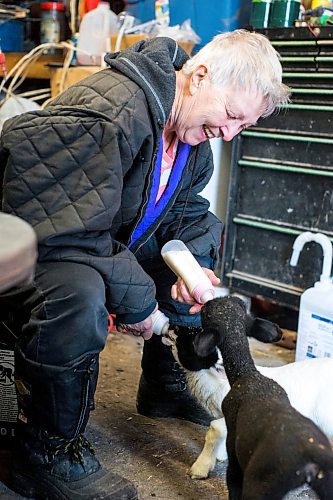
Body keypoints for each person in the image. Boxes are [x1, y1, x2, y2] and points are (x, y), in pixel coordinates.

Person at [0, 29, 289, 499]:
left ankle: (165, 384)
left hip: (82, 237)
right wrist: (138, 305)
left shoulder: (188, 137)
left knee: (199, 240)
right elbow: (67, 234)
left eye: (245, 125)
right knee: (79, 295)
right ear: (199, 77)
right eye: (232, 115)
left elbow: (185, 211)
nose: (230, 133)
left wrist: (191, 263)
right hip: (29, 248)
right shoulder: (107, 115)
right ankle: (44, 453)